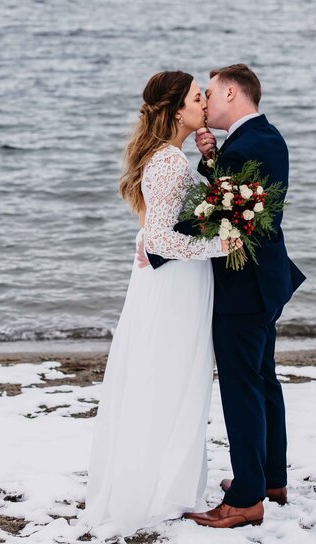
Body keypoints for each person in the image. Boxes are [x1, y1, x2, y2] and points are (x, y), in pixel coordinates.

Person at [80, 70, 242, 537]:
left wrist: (208, 161)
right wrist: (222, 245)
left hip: (172, 285)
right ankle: (160, 489)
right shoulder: (169, 161)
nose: (205, 104)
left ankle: (166, 485)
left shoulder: (170, 156)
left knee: (169, 377)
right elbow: (161, 239)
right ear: (177, 111)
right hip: (175, 289)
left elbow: (156, 226)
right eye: (197, 98)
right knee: (171, 378)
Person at [148, 63, 307, 530]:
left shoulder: (249, 145)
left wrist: (157, 245)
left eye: (210, 93)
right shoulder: (261, 137)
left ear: (233, 93)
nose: (205, 102)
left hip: (243, 288)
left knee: (241, 390)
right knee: (262, 381)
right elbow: (238, 202)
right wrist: (213, 159)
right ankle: (270, 478)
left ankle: (246, 498)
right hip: (265, 282)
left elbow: (229, 220)